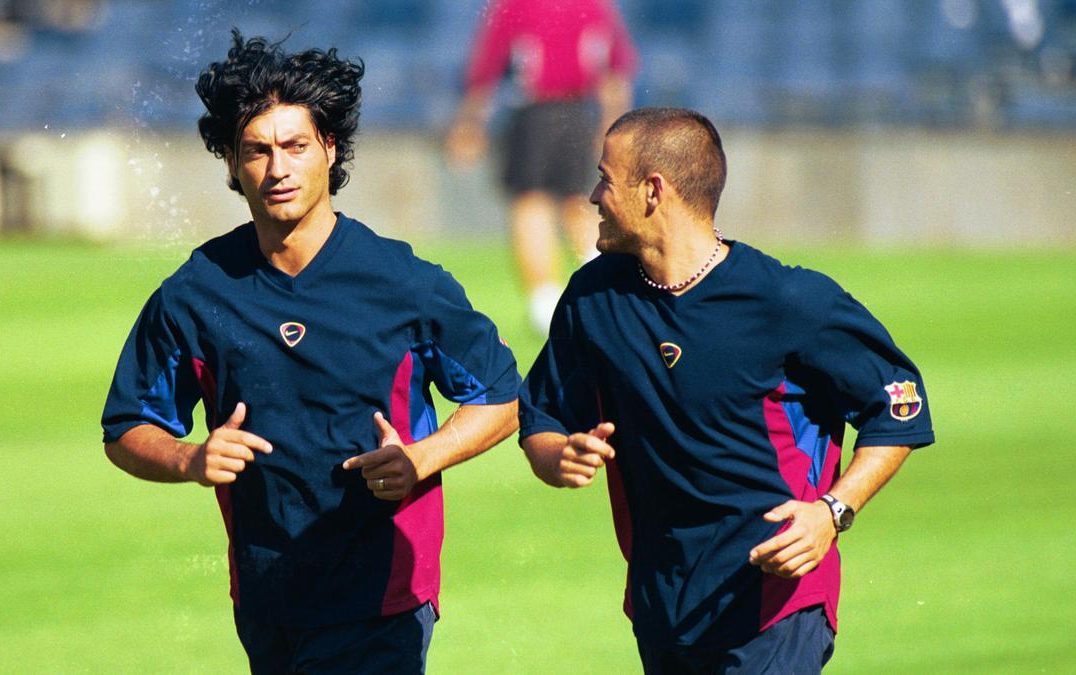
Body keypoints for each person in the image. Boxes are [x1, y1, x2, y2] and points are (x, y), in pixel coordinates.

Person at [100, 31, 519, 674]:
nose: (278, 169)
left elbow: (501, 395)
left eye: (296, 146)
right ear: (231, 164)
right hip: (268, 596)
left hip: (385, 597)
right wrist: (189, 457)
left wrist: (421, 458)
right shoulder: (194, 292)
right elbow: (126, 427)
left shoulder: (406, 283)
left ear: (329, 148)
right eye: (257, 151)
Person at [517, 107, 935, 673]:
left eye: (605, 180)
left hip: (776, 602)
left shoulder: (787, 299)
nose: (592, 196)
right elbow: (542, 417)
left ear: (652, 191)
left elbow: (898, 408)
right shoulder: (593, 297)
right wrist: (558, 456)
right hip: (662, 606)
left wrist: (832, 512)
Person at [446, 0, 637, 335]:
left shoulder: (517, 5)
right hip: (579, 112)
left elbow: (487, 68)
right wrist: (613, 123)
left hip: (535, 111)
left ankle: (544, 302)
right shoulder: (593, 5)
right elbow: (615, 70)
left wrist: (470, 122)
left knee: (530, 203)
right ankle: (607, 286)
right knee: (578, 203)